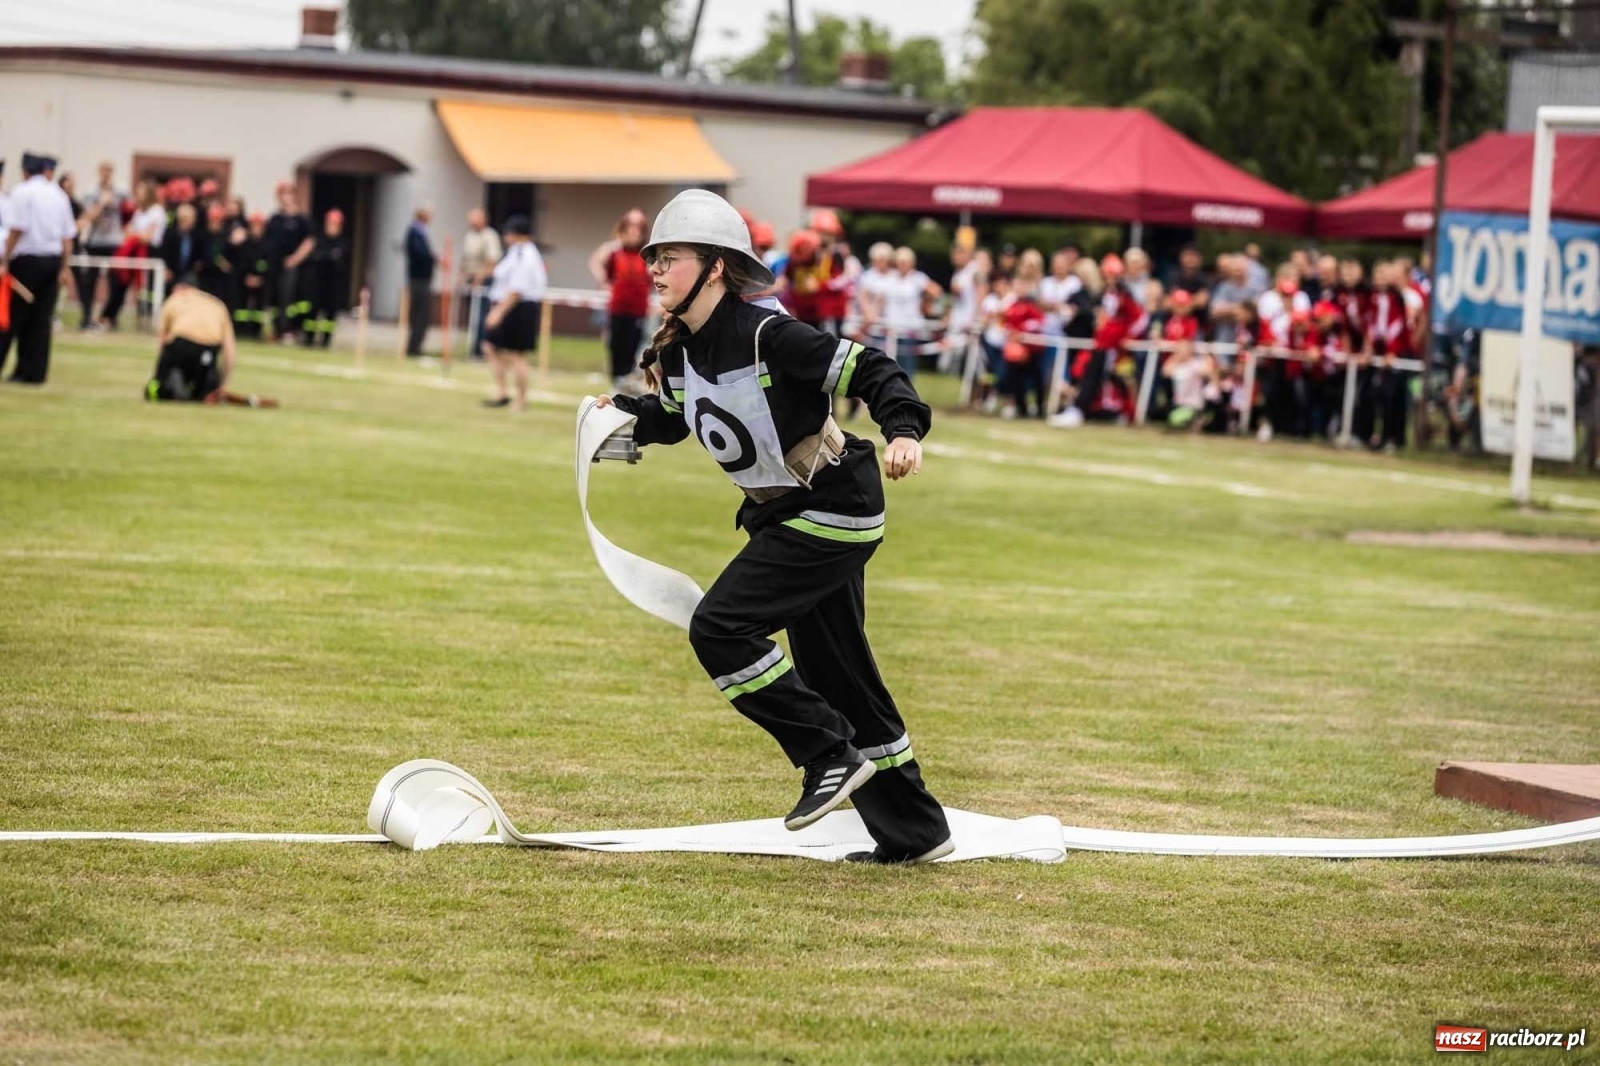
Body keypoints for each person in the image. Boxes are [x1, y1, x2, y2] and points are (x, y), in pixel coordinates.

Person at [596, 189, 952, 865]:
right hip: (785, 515)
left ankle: (826, 756)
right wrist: (616, 418)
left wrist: (904, 430)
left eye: (671, 258)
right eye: (655, 259)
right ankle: (916, 833)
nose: (658, 270)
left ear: (717, 268)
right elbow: (673, 420)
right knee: (839, 676)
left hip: (835, 507)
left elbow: (871, 369)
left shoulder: (769, 332)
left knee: (720, 627)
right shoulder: (677, 355)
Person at [2, 153, 76, 385]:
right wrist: (65, 267)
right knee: (41, 320)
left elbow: (17, 228)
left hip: (26, 261)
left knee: (13, 317)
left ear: (25, 171)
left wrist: (5, 259)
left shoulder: (22, 192)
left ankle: (16, 367)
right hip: (52, 261)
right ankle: (35, 372)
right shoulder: (59, 194)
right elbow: (68, 237)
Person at [480, 215, 547, 411]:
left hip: (519, 307)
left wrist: (499, 312)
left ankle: (521, 398)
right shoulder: (515, 252)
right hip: (509, 305)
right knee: (491, 346)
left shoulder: (526, 255)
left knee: (517, 354)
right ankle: (502, 391)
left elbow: (517, 288)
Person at [145, 271, 234, 401]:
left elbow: (162, 341)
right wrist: (221, 384)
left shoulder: (175, 300)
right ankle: (203, 389)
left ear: (181, 287)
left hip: (180, 345)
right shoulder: (217, 304)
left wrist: (161, 371)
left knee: (157, 388)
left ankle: (171, 382)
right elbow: (229, 351)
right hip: (208, 350)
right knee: (203, 391)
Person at [588, 208, 650, 389]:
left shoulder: (645, 254)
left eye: (638, 228)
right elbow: (596, 261)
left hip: (638, 310)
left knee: (634, 347)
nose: (633, 232)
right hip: (618, 307)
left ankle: (627, 380)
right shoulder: (615, 251)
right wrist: (603, 281)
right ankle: (617, 382)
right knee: (616, 346)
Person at [76, 161, 127, 329]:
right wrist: (102, 204)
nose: (106, 174)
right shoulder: (91, 192)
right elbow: (89, 216)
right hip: (95, 240)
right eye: (103, 170)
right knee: (90, 280)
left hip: (114, 241)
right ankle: (87, 316)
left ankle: (109, 316)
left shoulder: (120, 191)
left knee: (117, 281)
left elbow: (128, 213)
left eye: (109, 170)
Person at [265, 182, 314, 341]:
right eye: (282, 194)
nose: (285, 198)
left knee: (290, 298)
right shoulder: (275, 219)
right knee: (275, 298)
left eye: (288, 193)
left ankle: (291, 329)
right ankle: (276, 329)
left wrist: (295, 258)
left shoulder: (301, 219)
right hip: (275, 265)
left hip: (293, 266)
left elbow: (309, 241)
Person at [299, 209, 348, 347]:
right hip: (316, 282)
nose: (332, 227)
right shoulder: (318, 240)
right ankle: (308, 338)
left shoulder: (342, 243)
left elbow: (339, 261)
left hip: (333, 284)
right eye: (330, 224)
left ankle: (326, 340)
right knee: (312, 310)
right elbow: (315, 258)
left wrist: (326, 258)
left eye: (335, 224)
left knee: (330, 312)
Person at [461, 208, 503, 359]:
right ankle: (474, 346)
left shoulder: (490, 236)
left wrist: (480, 278)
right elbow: (465, 259)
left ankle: (481, 348)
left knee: (482, 315)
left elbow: (492, 260)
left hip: (485, 279)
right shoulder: (469, 236)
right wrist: (462, 275)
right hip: (471, 278)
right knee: (472, 315)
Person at [229, 212, 271, 340]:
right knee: (241, 307)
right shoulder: (244, 244)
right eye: (254, 226)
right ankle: (240, 329)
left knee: (258, 308)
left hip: (261, 281)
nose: (256, 229)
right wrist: (246, 276)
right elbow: (240, 261)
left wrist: (260, 277)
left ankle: (255, 330)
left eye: (259, 226)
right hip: (244, 280)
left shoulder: (267, 245)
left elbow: (269, 263)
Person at [404, 205, 436, 356]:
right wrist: (432, 259)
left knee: (422, 315)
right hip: (418, 279)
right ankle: (413, 347)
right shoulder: (414, 232)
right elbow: (419, 254)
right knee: (419, 314)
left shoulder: (421, 232)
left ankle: (416, 345)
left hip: (422, 278)